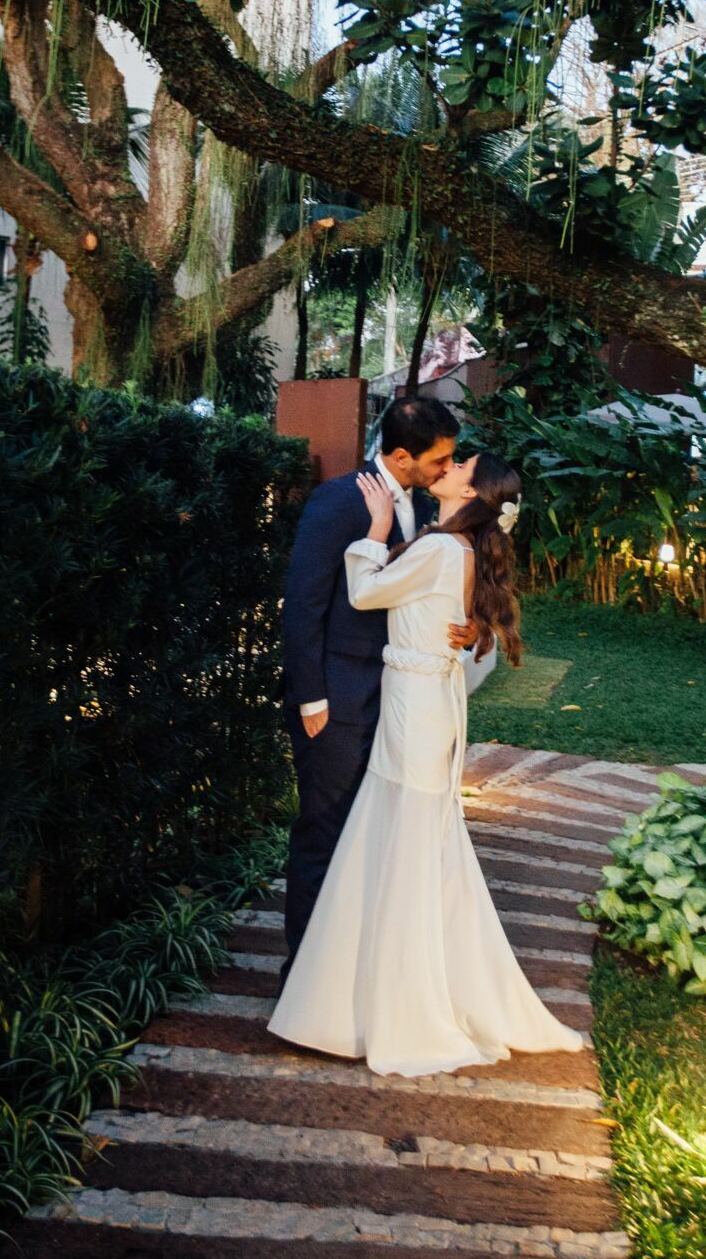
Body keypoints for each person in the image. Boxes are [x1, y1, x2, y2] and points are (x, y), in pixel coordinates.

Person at [268, 451, 586, 1076]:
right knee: (403, 836)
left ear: (472, 488)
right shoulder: (449, 544)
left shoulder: (440, 547)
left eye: (460, 463)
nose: (449, 463)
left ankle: (400, 999)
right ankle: (370, 985)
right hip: (418, 701)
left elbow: (363, 593)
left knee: (405, 839)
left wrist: (378, 529)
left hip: (416, 708)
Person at [279, 396, 473, 992]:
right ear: (398, 455)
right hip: (336, 701)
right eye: (438, 459)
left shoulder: (423, 507)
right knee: (325, 829)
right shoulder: (339, 502)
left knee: (369, 833)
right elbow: (304, 603)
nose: (447, 468)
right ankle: (303, 978)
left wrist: (464, 628)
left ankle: (352, 967)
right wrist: (311, 698)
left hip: (395, 699)